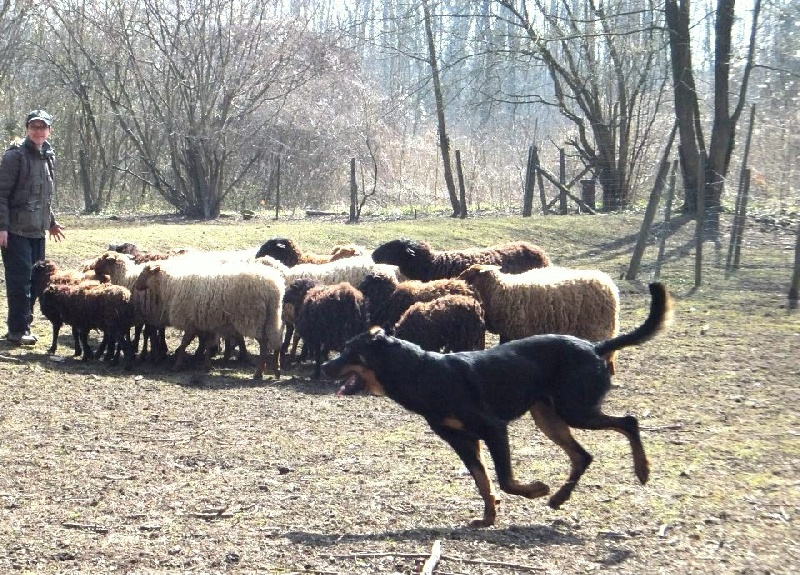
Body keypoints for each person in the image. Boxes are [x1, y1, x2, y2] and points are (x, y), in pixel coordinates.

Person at [0, 109, 65, 345]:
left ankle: (23, 325)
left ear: (49, 130)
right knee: (20, 281)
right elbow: (2, 194)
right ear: (27, 129)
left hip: (37, 232)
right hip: (15, 231)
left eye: (42, 127)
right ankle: (17, 330)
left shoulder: (48, 155)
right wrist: (2, 228)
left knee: (37, 281)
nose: (38, 131)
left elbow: (44, 196)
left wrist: (52, 222)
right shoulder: (14, 156)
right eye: (34, 127)